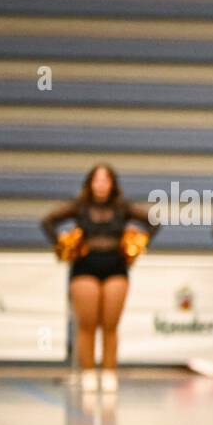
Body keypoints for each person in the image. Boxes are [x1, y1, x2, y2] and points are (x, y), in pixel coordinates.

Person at [40, 164, 160, 393]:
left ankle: (108, 372)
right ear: (90, 183)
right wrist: (63, 243)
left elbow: (154, 222)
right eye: (97, 180)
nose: (101, 184)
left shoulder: (122, 207)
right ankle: (87, 373)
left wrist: (138, 243)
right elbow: (48, 221)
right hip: (85, 267)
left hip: (115, 267)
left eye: (106, 180)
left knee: (110, 324)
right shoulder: (80, 207)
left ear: (112, 184)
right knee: (87, 325)